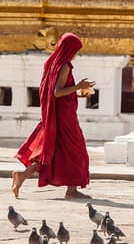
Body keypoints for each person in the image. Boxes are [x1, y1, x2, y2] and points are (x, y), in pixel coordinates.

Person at [12, 32, 95, 199]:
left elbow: (56, 92)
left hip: (59, 116)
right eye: (75, 51)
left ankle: (21, 176)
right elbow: (57, 92)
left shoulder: (54, 64)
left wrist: (78, 93)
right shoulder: (64, 66)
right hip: (64, 119)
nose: (76, 55)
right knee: (76, 151)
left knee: (53, 153)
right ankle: (71, 190)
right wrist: (78, 86)